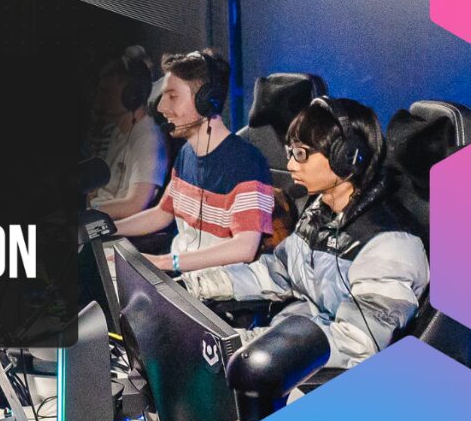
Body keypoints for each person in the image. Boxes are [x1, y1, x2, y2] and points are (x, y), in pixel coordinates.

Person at [182, 97, 429, 368]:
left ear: (346, 157)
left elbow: (356, 343)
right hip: (292, 348)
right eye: (290, 152)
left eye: (301, 154)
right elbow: (279, 271)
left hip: (325, 375)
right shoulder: (321, 212)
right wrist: (197, 286)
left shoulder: (388, 244)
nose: (290, 165)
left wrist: (254, 344)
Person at [114, 49, 274, 272]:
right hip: (181, 274)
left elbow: (244, 247)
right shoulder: (186, 153)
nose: (161, 107)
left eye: (172, 96)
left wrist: (164, 262)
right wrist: (108, 228)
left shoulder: (246, 163)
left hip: (215, 285)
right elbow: (163, 213)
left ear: (205, 101)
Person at [88, 52, 168, 219]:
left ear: (131, 96)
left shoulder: (148, 139)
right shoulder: (116, 132)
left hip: (116, 225)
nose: (99, 99)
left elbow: (135, 204)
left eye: (107, 92)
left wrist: (85, 212)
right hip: (100, 215)